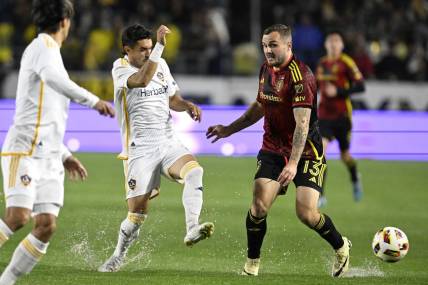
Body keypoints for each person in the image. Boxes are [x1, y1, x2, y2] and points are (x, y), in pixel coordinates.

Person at [206, 24, 351, 277]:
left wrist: (293, 164)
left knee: (306, 214)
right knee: (259, 205)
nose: (267, 50)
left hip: (306, 152)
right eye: (264, 45)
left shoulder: (301, 77)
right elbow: (260, 106)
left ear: (288, 46)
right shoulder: (265, 69)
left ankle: (341, 246)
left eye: (273, 45)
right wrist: (229, 129)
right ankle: (252, 263)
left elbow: (302, 125)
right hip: (273, 148)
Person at [0, 1, 115, 284]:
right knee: (18, 216)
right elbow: (53, 80)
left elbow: (48, 113)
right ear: (66, 21)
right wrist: (94, 101)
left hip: (50, 155)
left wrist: (65, 155)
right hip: (25, 148)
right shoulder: (42, 48)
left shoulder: (51, 54)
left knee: (46, 225)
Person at [98, 24, 214, 273]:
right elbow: (141, 80)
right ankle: (118, 255)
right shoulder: (120, 68)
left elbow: (172, 98)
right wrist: (160, 46)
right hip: (139, 148)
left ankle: (192, 228)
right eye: (142, 50)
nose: (148, 54)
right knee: (137, 216)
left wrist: (187, 105)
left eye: (150, 48)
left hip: (167, 140)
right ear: (126, 50)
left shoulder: (160, 64)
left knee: (195, 172)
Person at [316, 32, 365, 207]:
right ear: (326, 45)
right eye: (331, 42)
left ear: (342, 45)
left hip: (343, 116)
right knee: (320, 153)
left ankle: (354, 176)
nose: (334, 45)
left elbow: (361, 86)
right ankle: (320, 195)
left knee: (345, 156)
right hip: (324, 117)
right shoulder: (322, 64)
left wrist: (338, 92)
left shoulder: (347, 63)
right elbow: (316, 86)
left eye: (337, 41)